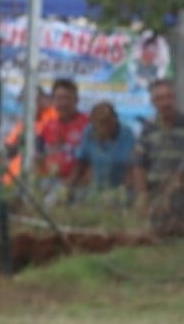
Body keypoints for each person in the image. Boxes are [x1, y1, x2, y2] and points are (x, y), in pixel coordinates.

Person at [133, 80, 184, 236]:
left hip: (180, 195)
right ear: (153, 102)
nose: (165, 103)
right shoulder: (148, 129)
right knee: (156, 241)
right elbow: (139, 163)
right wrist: (142, 194)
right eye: (160, 98)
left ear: (174, 98)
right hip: (156, 196)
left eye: (168, 97)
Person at [72, 102, 135, 201]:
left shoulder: (127, 134)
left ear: (115, 119)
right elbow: (81, 161)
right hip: (96, 186)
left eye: (107, 121)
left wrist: (122, 190)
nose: (104, 126)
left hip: (121, 187)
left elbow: (132, 167)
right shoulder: (89, 132)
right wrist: (69, 185)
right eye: (99, 123)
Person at [34, 78, 88, 187]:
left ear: (76, 100)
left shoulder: (87, 124)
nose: (63, 103)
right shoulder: (47, 126)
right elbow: (38, 156)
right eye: (58, 98)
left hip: (79, 186)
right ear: (53, 101)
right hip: (49, 183)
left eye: (67, 98)